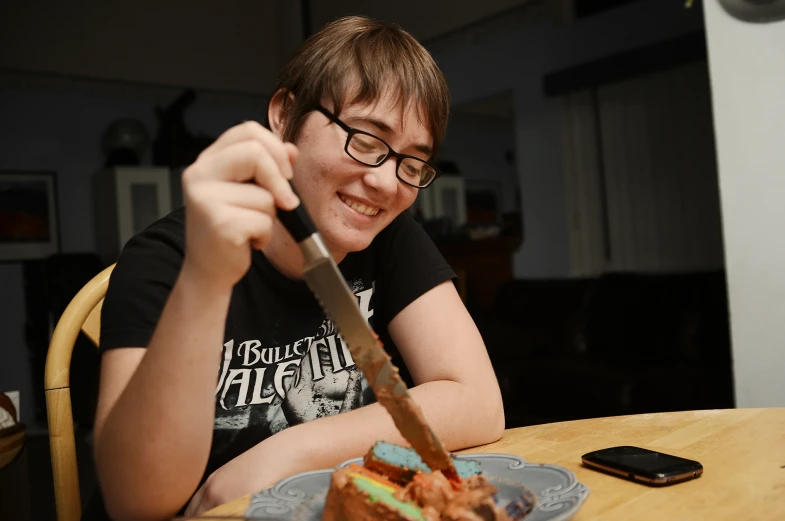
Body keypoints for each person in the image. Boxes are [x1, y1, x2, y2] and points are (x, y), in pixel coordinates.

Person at [89, 15, 504, 521]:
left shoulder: (391, 239)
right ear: (286, 115)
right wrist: (206, 278)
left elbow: (478, 400)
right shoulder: (164, 259)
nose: (386, 183)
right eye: (367, 140)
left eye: (412, 164)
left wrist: (289, 451)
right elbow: (136, 502)